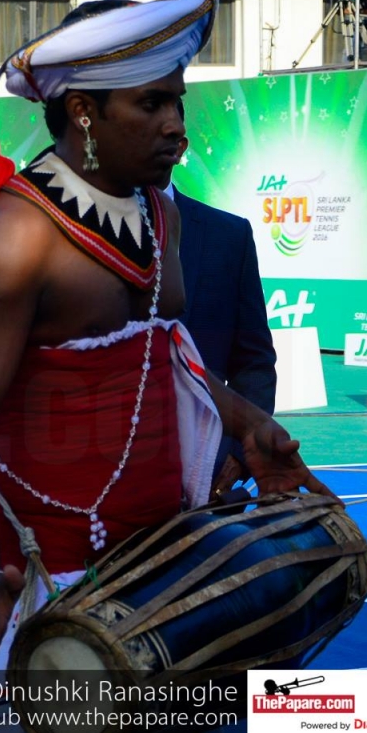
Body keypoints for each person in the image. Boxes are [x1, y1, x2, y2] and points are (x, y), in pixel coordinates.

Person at [0, 0, 335, 699]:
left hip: (163, 552)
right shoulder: (14, 235)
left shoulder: (158, 212)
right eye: (152, 104)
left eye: (178, 102)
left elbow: (167, 353)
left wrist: (245, 423)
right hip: (54, 571)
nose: (176, 126)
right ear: (84, 111)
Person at [160, 134, 278, 494]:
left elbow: (254, 361)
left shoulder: (228, 236)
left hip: (204, 482)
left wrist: (235, 454)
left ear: (180, 146)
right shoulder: (66, 227)